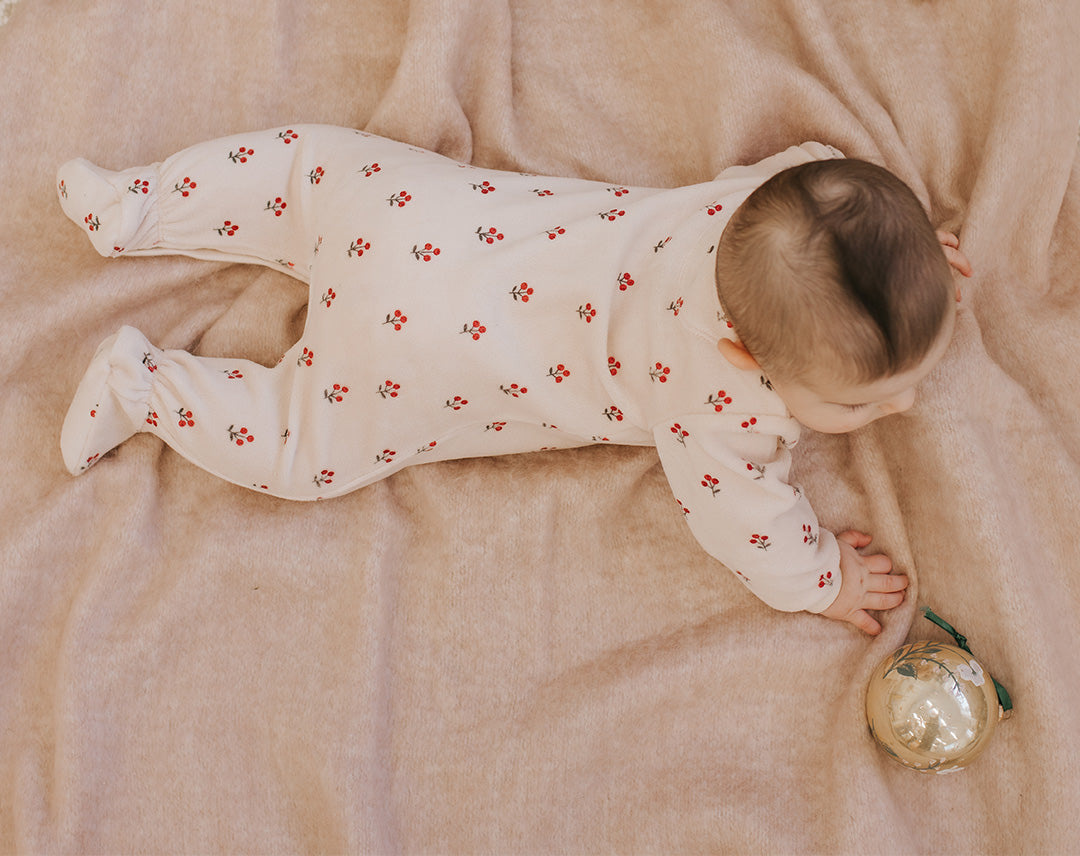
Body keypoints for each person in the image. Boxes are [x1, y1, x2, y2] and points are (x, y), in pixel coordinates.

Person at [55, 124, 971, 634]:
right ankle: (143, 388)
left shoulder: (764, 204)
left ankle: (135, 204)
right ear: (744, 359)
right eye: (860, 400)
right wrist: (822, 581)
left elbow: (817, 178)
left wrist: (909, 257)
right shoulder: (723, 413)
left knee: (304, 172)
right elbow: (749, 529)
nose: (903, 405)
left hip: (410, 213)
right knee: (300, 449)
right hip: (410, 358)